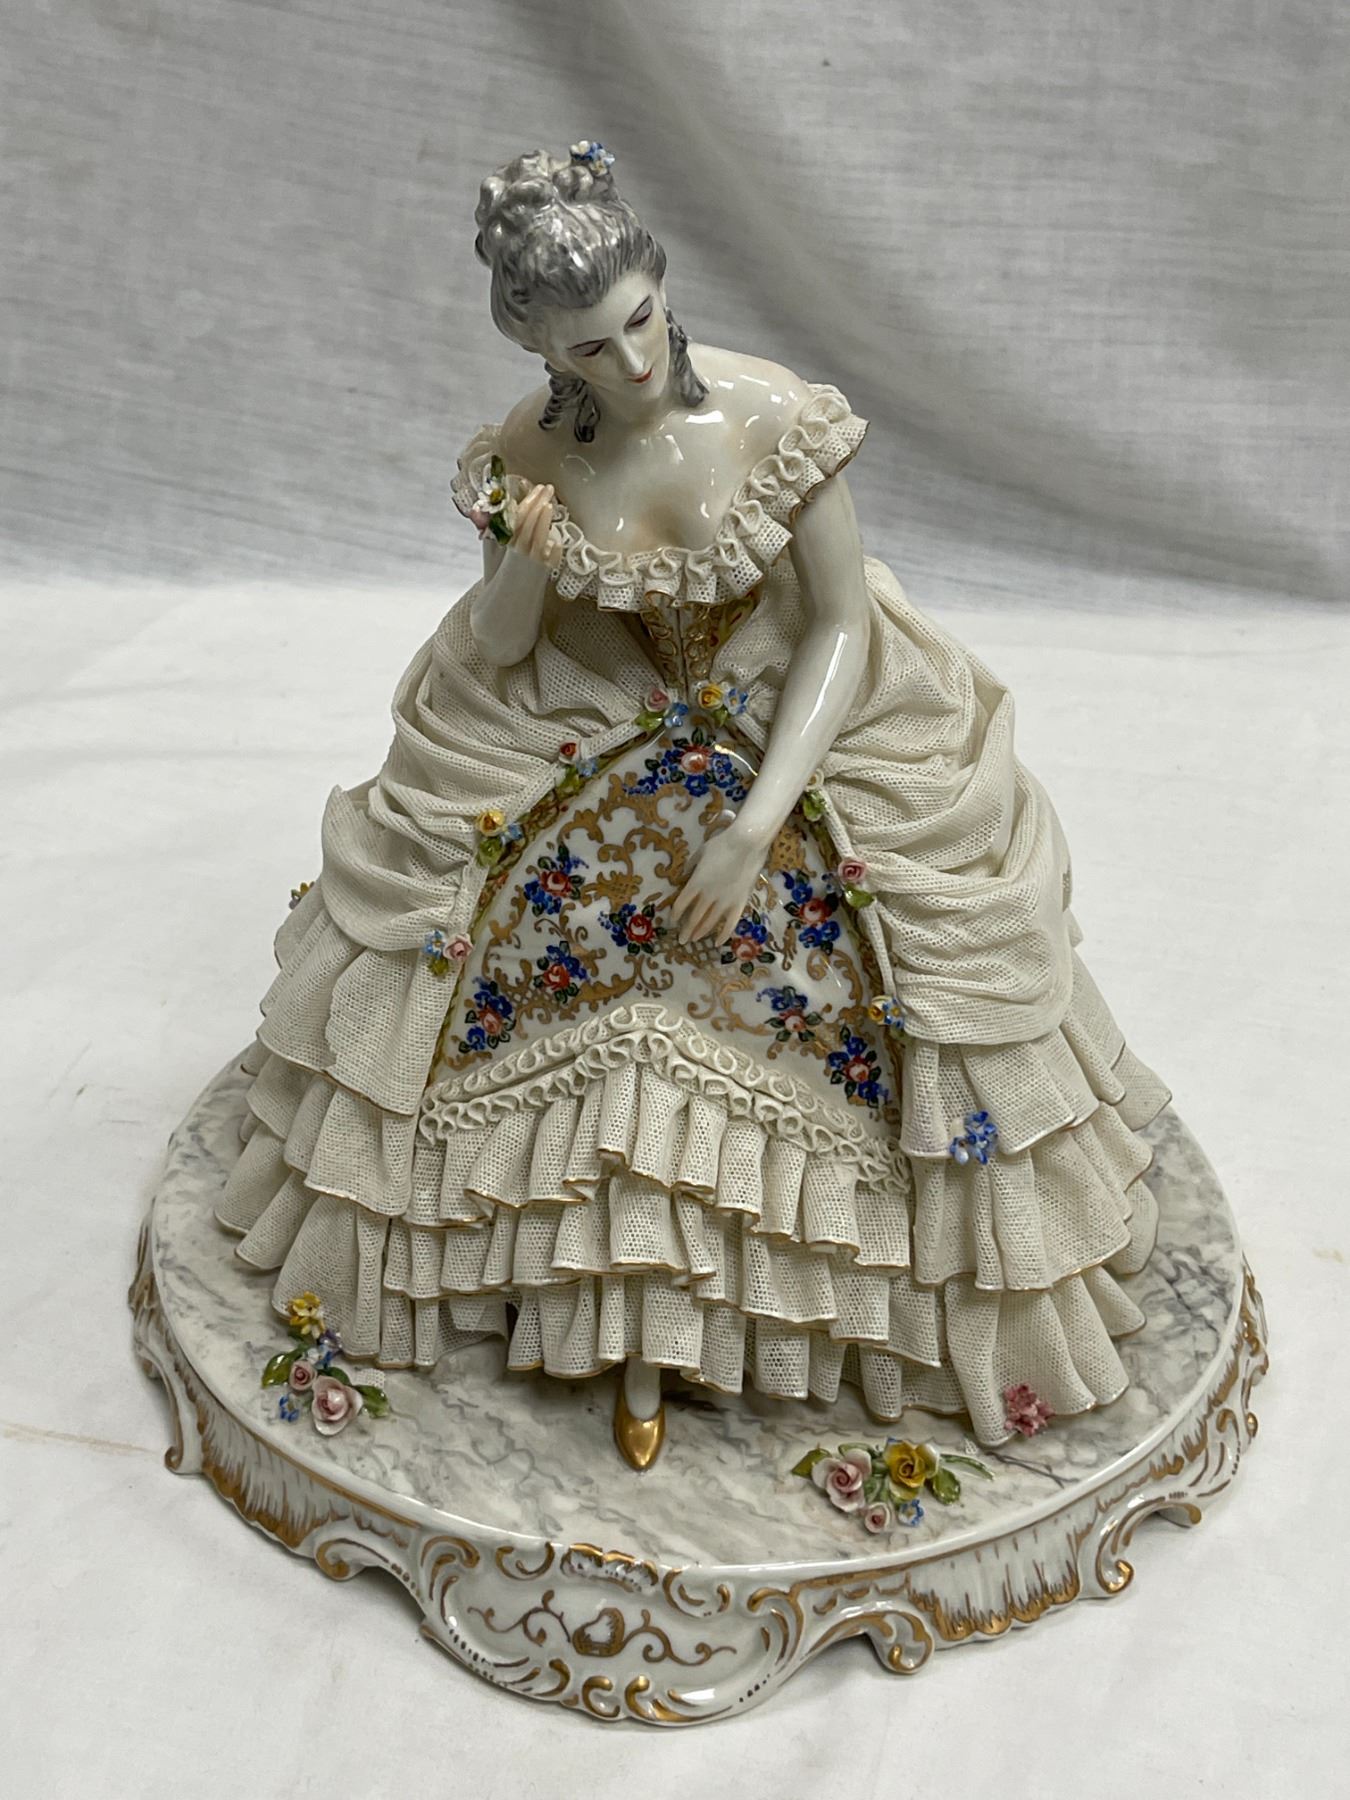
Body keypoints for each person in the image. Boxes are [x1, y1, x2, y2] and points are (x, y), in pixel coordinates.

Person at [218, 142, 1169, 1470]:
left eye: (642, 321)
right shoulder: (529, 448)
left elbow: (839, 624)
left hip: (789, 705)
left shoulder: (773, 417)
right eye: (589, 350)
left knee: (856, 940)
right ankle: (587, 1274)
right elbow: (500, 645)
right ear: (540, 349)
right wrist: (526, 562)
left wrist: (755, 822)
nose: (631, 362)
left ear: (662, 288)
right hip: (593, 700)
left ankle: (818, 1291)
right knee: (501, 914)